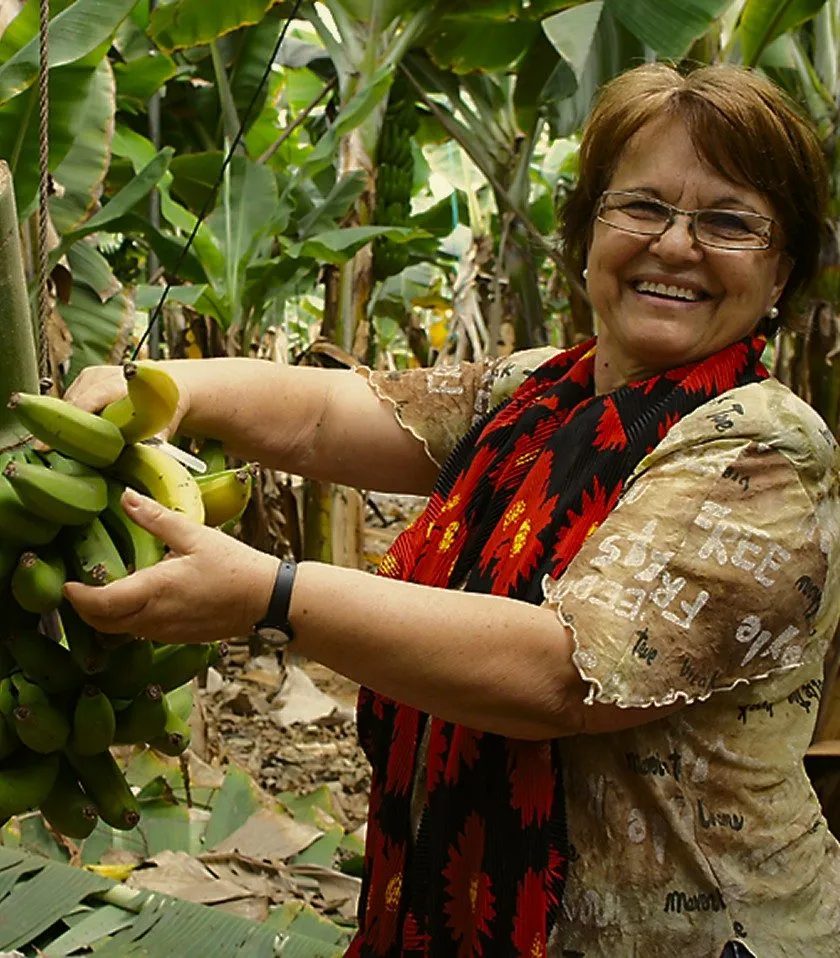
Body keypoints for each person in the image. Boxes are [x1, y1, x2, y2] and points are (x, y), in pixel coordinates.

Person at [63, 62, 840, 957]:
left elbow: (562, 676)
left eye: (729, 222)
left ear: (781, 270)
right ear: (587, 231)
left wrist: (269, 599)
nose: (675, 244)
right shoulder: (538, 392)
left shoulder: (764, 447)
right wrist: (157, 387)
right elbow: (322, 415)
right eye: (643, 207)